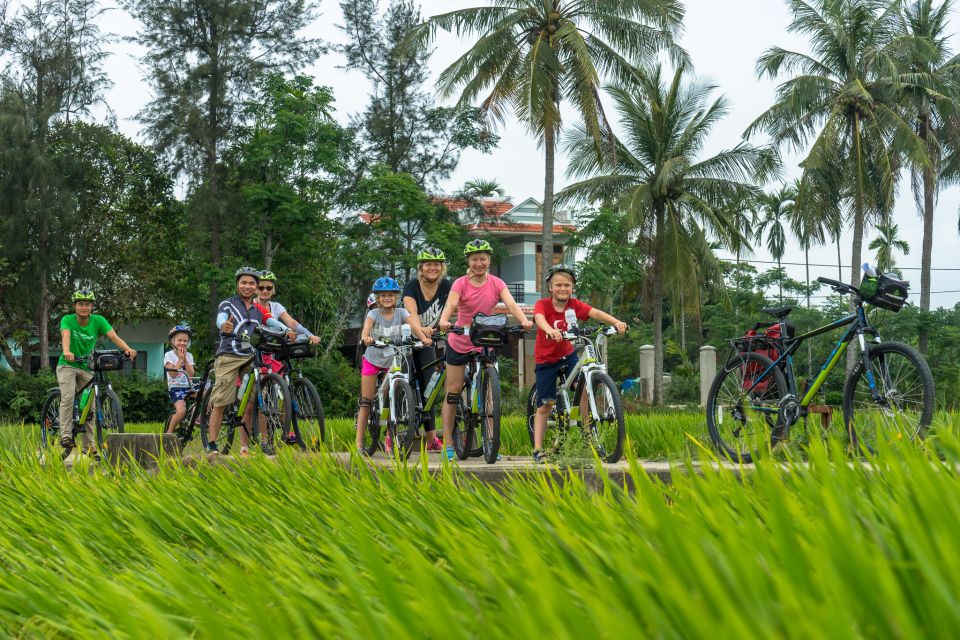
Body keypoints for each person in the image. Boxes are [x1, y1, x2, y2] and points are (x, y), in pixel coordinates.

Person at [438, 239, 533, 462]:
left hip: (484, 338)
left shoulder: (497, 283)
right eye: (474, 259)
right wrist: (444, 320)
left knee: (490, 397)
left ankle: (491, 442)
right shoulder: (460, 283)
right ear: (468, 262)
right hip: (460, 338)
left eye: (483, 259)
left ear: (489, 260)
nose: (479, 263)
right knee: (453, 391)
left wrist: (523, 320)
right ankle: (449, 444)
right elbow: (451, 305)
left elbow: (510, 303)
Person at [531, 265, 627, 463]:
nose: (563, 288)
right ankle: (538, 449)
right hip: (547, 360)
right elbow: (539, 318)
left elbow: (596, 313)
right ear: (550, 287)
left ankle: (586, 432)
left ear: (572, 287)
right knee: (545, 405)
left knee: (583, 387)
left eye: (567, 285)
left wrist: (616, 322)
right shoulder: (543, 304)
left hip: (568, 355)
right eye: (558, 285)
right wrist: (550, 330)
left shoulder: (574, 305)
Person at [206, 266, 295, 455]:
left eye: (252, 283)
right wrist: (224, 324)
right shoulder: (228, 304)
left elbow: (272, 322)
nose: (248, 286)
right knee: (221, 401)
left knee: (256, 400)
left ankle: (259, 443)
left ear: (256, 287)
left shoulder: (258, 310)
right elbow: (220, 318)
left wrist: (286, 330)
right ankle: (212, 444)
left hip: (249, 357)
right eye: (244, 282)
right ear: (238, 285)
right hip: (228, 356)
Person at [356, 276, 431, 456]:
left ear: (396, 296)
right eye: (383, 295)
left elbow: (414, 326)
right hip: (373, 359)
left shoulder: (402, 313)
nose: (387, 298)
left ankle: (392, 437)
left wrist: (423, 338)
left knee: (394, 398)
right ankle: (358, 443)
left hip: (393, 360)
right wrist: (366, 337)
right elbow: (366, 329)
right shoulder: (373, 314)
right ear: (378, 298)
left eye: (391, 295)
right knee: (366, 401)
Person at [57, 289, 137, 453]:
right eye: (80, 304)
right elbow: (65, 335)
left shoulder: (98, 320)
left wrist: (128, 349)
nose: (84, 307)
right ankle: (65, 435)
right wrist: (67, 351)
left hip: (86, 366)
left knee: (90, 405)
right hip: (68, 365)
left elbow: (113, 337)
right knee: (68, 397)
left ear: (92, 307)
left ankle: (88, 446)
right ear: (75, 306)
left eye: (87, 304)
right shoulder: (68, 319)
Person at [401, 246, 451, 452]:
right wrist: (422, 334)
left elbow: (452, 308)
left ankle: (431, 439)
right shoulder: (412, 286)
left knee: (429, 388)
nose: (433, 268)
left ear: (442, 267)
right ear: (421, 267)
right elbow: (410, 314)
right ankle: (391, 435)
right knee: (403, 383)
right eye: (428, 264)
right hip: (407, 339)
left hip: (428, 340)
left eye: (437, 264)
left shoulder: (446, 285)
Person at [163, 325, 196, 434]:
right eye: (179, 340)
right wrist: (180, 360)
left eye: (185, 341)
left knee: (208, 394)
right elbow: (172, 374)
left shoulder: (189, 355)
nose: (182, 343)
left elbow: (191, 374)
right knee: (181, 411)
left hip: (189, 386)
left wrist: (185, 359)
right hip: (176, 388)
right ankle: (169, 432)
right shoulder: (169, 355)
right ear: (173, 341)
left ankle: (201, 417)